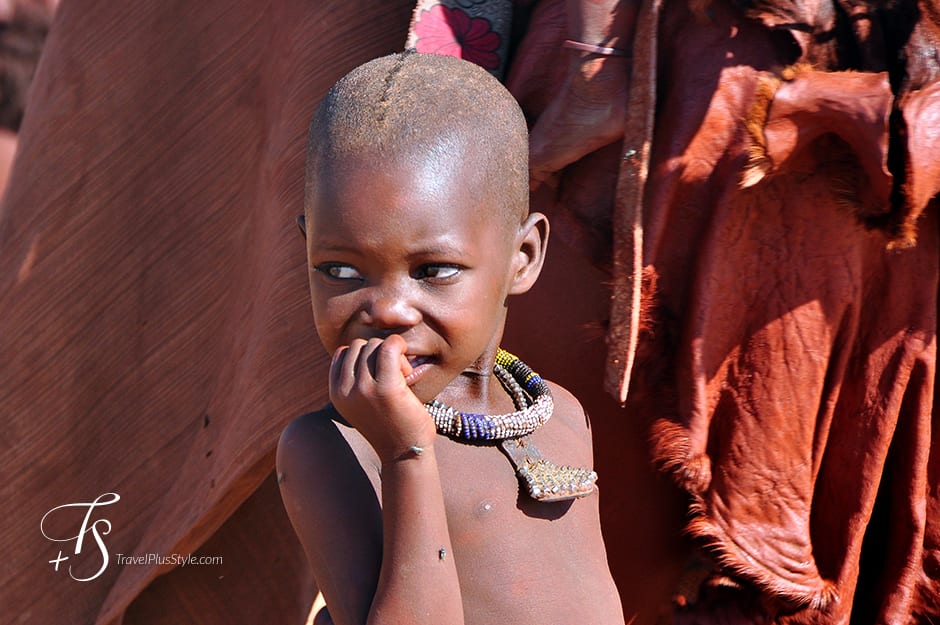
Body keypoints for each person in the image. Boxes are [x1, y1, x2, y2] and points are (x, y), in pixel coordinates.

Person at [276, 51, 625, 625]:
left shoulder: (562, 416)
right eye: (340, 270)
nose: (387, 309)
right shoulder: (334, 448)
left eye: (433, 270)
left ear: (522, 257)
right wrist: (406, 454)